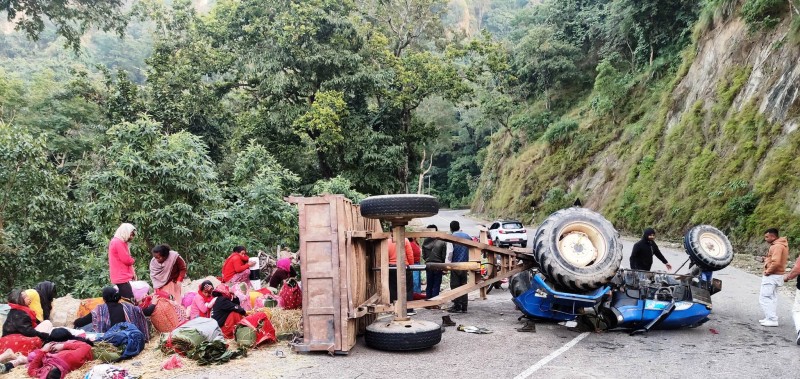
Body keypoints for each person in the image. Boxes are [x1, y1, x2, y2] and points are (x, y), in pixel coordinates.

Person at [72, 287, 152, 341]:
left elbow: (80, 322)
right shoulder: (127, 306)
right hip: (129, 337)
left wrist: (75, 322)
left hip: (110, 340)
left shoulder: (100, 309)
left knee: (85, 327)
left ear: (104, 298)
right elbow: (145, 312)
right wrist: (154, 303)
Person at [0, 290, 49, 355]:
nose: (29, 298)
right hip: (14, 339)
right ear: (20, 300)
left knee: (46, 324)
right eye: (26, 297)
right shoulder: (20, 313)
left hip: (10, 336)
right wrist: (45, 336)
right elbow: (28, 331)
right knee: (47, 325)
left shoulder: (17, 310)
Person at [760, 228, 788, 327]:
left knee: (765, 297)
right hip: (778, 275)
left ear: (773, 236)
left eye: (767, 237)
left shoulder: (776, 246)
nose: (766, 239)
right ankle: (769, 317)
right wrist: (766, 259)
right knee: (772, 297)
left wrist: (768, 271)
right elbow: (775, 260)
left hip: (772, 275)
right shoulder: (781, 245)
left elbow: (776, 262)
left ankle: (771, 319)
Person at [27, 340, 93, 379]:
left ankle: (22, 359)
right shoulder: (72, 358)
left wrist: (43, 351)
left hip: (52, 352)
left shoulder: (44, 374)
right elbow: (87, 346)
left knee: (31, 356)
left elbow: (30, 371)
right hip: (72, 344)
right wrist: (63, 346)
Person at [445, 221, 472, 313]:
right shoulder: (467, 236)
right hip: (465, 264)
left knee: (455, 286)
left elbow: (449, 253)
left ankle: (457, 306)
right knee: (464, 285)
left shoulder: (451, 237)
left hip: (455, 265)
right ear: (459, 227)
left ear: (451, 228)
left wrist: (447, 265)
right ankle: (464, 306)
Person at [108, 223, 137, 301]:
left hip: (121, 275)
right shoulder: (118, 242)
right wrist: (133, 260)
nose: (131, 237)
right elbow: (126, 259)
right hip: (121, 276)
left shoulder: (119, 241)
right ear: (125, 232)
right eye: (131, 235)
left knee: (124, 298)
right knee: (129, 300)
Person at [388, 235, 415, 315]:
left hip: (391, 267)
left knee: (393, 288)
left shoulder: (387, 241)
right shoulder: (405, 240)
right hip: (404, 266)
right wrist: (411, 265)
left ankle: (395, 309)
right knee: (407, 288)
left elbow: (385, 254)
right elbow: (410, 254)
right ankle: (409, 309)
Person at [422, 225, 446, 301]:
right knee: (436, 284)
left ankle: (428, 299)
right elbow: (443, 255)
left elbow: (423, 255)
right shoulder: (441, 241)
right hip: (438, 265)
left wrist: (428, 260)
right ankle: (435, 301)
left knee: (429, 283)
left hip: (428, 264)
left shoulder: (425, 241)